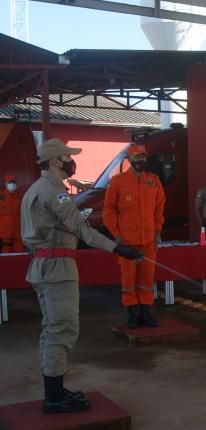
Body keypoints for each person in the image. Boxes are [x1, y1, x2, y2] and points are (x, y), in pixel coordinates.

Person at [21, 138, 140, 413]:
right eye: (66, 157)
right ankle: (54, 397)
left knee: (53, 328)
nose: (70, 161)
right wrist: (117, 248)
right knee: (62, 328)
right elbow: (81, 228)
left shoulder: (38, 189)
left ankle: (55, 388)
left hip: (45, 265)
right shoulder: (54, 192)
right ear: (54, 161)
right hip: (57, 268)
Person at [103, 144, 166, 329]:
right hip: (127, 241)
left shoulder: (154, 182)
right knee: (128, 280)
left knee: (147, 279)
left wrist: (157, 231)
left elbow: (159, 209)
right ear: (129, 160)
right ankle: (132, 312)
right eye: (136, 157)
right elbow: (109, 211)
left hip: (148, 240)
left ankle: (146, 312)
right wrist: (117, 235)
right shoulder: (117, 182)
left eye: (143, 157)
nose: (140, 160)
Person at [0, 174, 23, 252]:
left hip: (18, 233)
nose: (12, 184)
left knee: (19, 254)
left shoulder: (20, 196)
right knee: (5, 256)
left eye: (14, 182)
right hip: (4, 234)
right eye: (10, 182)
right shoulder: (1, 197)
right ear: (5, 183)